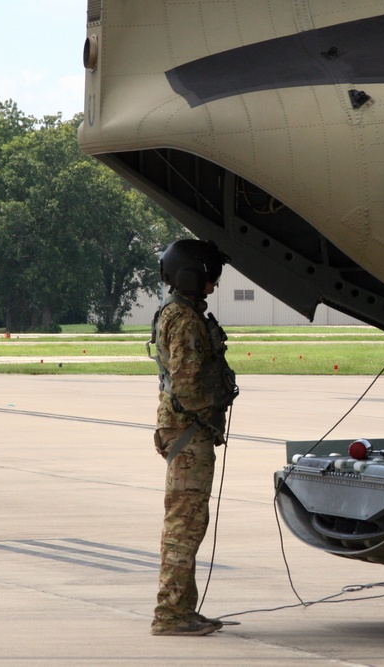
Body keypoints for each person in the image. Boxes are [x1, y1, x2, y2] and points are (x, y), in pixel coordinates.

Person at [148, 239, 239, 636]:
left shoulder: (181, 312)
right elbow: (186, 385)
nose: (213, 285)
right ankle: (170, 614)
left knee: (189, 521)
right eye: (209, 277)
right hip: (189, 431)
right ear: (191, 276)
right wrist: (210, 412)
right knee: (185, 524)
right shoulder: (184, 319)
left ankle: (182, 608)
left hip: (186, 429)